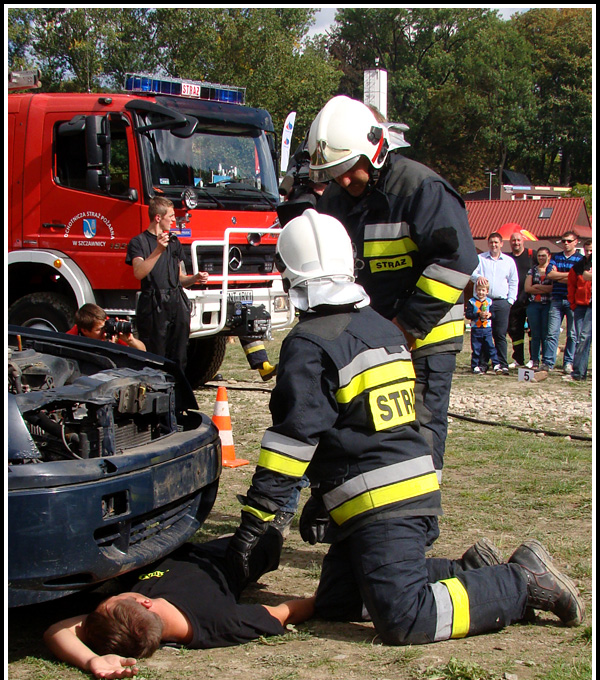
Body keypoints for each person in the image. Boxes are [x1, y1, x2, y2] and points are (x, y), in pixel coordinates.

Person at [225, 210, 584, 648]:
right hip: (401, 489)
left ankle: (520, 581)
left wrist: (254, 523)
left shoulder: (310, 342)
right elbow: (360, 421)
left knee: (405, 618)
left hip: (382, 503)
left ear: (290, 277)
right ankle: (470, 571)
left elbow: (293, 440)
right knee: (338, 603)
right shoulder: (380, 327)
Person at [308, 95, 478, 482]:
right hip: (373, 335)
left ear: (375, 150)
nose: (343, 180)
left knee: (420, 428)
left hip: (428, 336)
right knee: (369, 425)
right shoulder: (336, 197)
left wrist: (406, 327)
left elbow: (456, 262)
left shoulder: (422, 189)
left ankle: (418, 526)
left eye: (350, 169)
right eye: (334, 173)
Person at [43, 528, 316, 680]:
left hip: (166, 544)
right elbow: (285, 612)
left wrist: (92, 660)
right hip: (231, 556)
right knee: (270, 537)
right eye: (115, 597)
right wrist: (329, 598)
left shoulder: (130, 622)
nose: (109, 596)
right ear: (145, 603)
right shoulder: (219, 622)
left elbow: (56, 631)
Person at [126, 197, 209, 374]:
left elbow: (179, 278)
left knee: (179, 355)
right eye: (170, 216)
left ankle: (178, 394)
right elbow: (139, 272)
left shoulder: (174, 242)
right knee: (155, 355)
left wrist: (194, 278)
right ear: (158, 217)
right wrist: (158, 250)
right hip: (153, 303)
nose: (173, 220)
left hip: (176, 300)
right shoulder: (139, 242)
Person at [470, 232, 518, 374]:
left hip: (501, 302)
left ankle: (502, 364)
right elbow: (471, 273)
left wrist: (510, 300)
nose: (494, 245)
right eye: (491, 242)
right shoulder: (480, 259)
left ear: (501, 244)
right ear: (488, 244)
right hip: (483, 301)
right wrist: (478, 277)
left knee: (500, 334)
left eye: (497, 242)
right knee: (484, 334)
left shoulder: (508, 261)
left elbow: (513, 281)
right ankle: (483, 364)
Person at [543, 231, 584, 372]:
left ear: (575, 242)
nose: (565, 243)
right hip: (557, 299)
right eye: (563, 241)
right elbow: (550, 274)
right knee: (552, 332)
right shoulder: (556, 257)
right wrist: (570, 275)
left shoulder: (581, 259)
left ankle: (568, 362)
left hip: (573, 300)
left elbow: (580, 278)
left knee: (572, 334)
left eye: (568, 241)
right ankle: (548, 362)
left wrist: (559, 276)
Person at [564, 239, 592, 381]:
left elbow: (588, 276)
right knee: (580, 338)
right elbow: (571, 285)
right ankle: (579, 372)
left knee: (584, 337)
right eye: (587, 250)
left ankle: (579, 373)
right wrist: (573, 304)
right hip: (581, 305)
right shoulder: (579, 266)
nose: (590, 253)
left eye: (592, 250)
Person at [507, 232, 536, 367]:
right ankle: (518, 359)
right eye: (513, 241)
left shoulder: (532, 255)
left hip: (530, 300)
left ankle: (533, 359)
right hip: (514, 300)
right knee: (514, 330)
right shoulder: (507, 258)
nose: (516, 243)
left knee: (532, 331)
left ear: (523, 241)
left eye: (518, 240)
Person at [67, 303, 146, 351]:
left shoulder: (109, 326)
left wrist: (131, 341)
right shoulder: (72, 336)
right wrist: (107, 348)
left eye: (105, 325)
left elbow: (143, 351)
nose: (104, 330)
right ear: (85, 331)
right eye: (99, 329)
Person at [524, 247, 553, 370]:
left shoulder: (552, 270)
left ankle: (546, 360)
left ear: (549, 256)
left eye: (543, 255)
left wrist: (537, 286)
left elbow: (552, 288)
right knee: (535, 334)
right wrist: (542, 288)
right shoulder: (532, 270)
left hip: (547, 304)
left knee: (546, 334)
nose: (541, 258)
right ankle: (534, 359)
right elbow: (528, 288)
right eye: (539, 255)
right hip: (534, 305)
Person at [465, 279, 501, 374]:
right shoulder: (471, 302)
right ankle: (475, 366)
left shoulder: (489, 302)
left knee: (490, 347)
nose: (481, 292)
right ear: (476, 290)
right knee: (476, 348)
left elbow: (494, 315)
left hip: (487, 328)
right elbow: (468, 315)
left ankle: (496, 365)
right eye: (479, 290)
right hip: (476, 329)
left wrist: (489, 315)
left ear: (487, 291)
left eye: (483, 290)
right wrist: (478, 314)